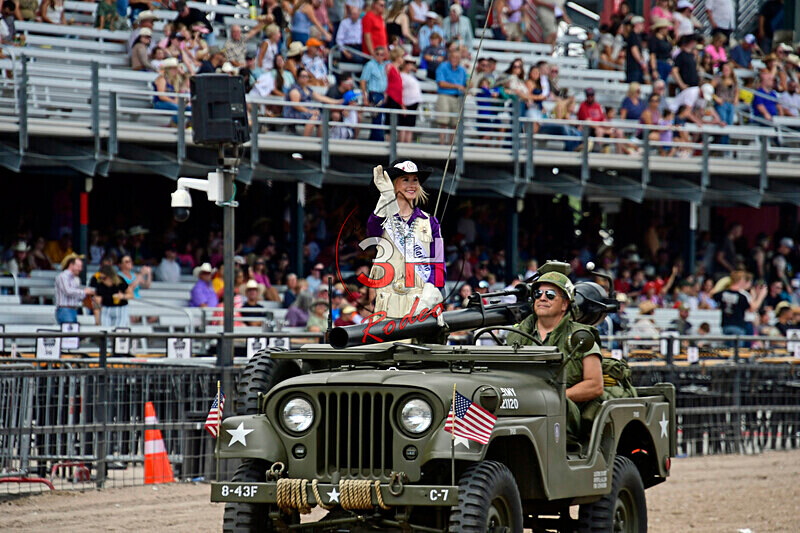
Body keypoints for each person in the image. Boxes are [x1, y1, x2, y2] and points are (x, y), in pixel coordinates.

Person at [506, 270, 607, 439]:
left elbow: (595, 385)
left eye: (551, 295)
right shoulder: (518, 335)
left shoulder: (579, 336)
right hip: (518, 406)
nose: (542, 298)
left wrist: (555, 397)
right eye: (538, 294)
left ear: (564, 304)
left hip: (563, 414)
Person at [365, 159, 445, 318]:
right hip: (386, 304)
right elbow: (372, 234)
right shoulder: (381, 217)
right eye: (405, 179)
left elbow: (439, 265)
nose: (412, 184)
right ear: (392, 184)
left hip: (420, 303)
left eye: (415, 180)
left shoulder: (431, 222)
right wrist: (386, 197)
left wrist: (429, 298)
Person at [713, 270, 767, 338]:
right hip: (740, 324)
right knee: (740, 347)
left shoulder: (724, 293)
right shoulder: (742, 295)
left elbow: (713, 294)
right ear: (741, 281)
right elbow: (752, 308)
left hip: (726, 324)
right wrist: (761, 296)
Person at [435, 42, 467, 145]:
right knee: (443, 122)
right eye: (453, 57)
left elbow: (464, 84)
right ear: (449, 57)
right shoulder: (443, 66)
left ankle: (451, 144)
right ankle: (442, 144)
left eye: (457, 57)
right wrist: (457, 86)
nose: (455, 59)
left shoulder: (462, 70)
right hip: (445, 95)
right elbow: (441, 83)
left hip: (457, 97)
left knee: (454, 123)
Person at [360, 46, 389, 141]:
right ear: (374, 54)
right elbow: (363, 81)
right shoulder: (370, 65)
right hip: (374, 94)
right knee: (378, 117)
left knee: (381, 117)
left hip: (383, 94)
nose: (380, 56)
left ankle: (374, 138)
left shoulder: (385, 65)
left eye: (382, 54)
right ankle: (378, 139)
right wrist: (365, 96)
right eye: (378, 54)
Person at [55, 254, 94, 324]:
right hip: (65, 309)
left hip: (73, 309)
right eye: (78, 266)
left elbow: (76, 295)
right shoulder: (63, 276)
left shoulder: (75, 279)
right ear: (71, 265)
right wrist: (84, 292)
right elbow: (68, 291)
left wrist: (86, 295)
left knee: (72, 331)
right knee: (69, 332)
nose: (80, 269)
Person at [648, 18, 673, 83]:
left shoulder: (666, 39)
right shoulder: (654, 40)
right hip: (659, 63)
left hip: (666, 63)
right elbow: (652, 55)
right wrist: (654, 69)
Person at [625, 16, 647, 84]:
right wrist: (642, 63)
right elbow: (634, 51)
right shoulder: (633, 36)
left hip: (636, 68)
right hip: (633, 68)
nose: (643, 26)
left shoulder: (637, 36)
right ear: (636, 24)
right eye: (641, 24)